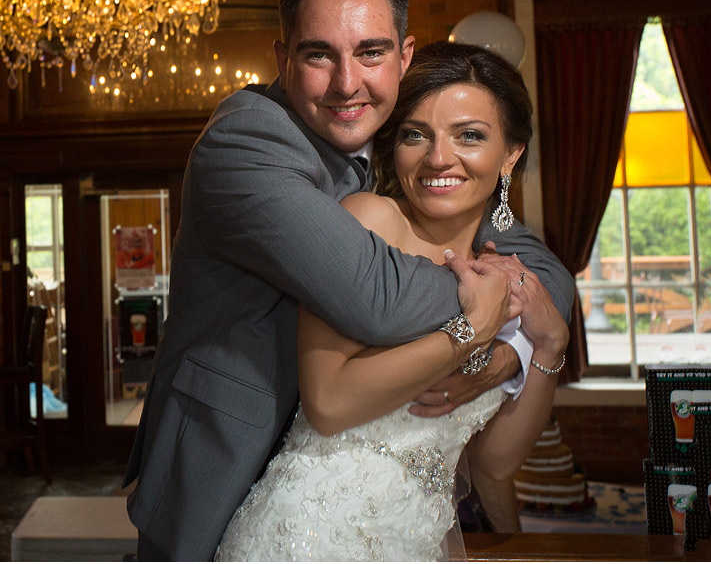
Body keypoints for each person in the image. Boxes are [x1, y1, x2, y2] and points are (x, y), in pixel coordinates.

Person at [122, 0, 574, 561]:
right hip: (231, 468)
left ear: (403, 56)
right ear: (282, 59)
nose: (346, 83)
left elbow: (535, 266)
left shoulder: (389, 160)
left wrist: (531, 340)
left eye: (370, 52)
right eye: (318, 54)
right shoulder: (247, 143)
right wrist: (494, 315)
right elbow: (376, 296)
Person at [215, 41, 569, 560]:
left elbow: (495, 461)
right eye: (415, 135)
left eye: (469, 136)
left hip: (417, 540)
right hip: (313, 534)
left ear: (510, 154)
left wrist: (549, 344)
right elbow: (329, 403)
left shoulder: (496, 274)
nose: (439, 158)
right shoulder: (369, 222)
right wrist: (470, 330)